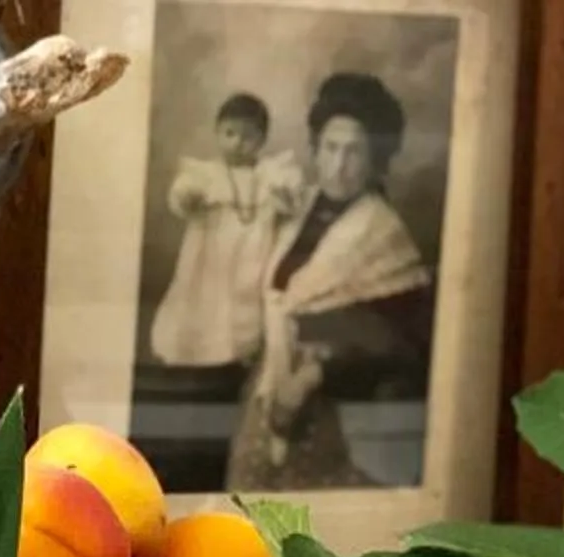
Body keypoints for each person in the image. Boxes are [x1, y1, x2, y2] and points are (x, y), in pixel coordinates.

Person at [231, 72, 434, 489]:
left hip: (336, 415)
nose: (340, 166)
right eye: (331, 148)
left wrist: (310, 377)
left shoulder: (384, 234)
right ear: (315, 150)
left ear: (374, 158)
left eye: (354, 152)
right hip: (267, 396)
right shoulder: (298, 210)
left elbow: (398, 344)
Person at [149, 93, 304, 369]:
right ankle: (193, 352)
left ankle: (243, 351)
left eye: (248, 137)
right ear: (217, 133)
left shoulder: (270, 173)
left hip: (255, 249)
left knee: (247, 303)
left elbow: (292, 200)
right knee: (205, 298)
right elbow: (182, 196)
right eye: (229, 133)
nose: (237, 143)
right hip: (211, 252)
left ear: (262, 140)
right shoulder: (206, 174)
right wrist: (188, 198)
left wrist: (285, 194)